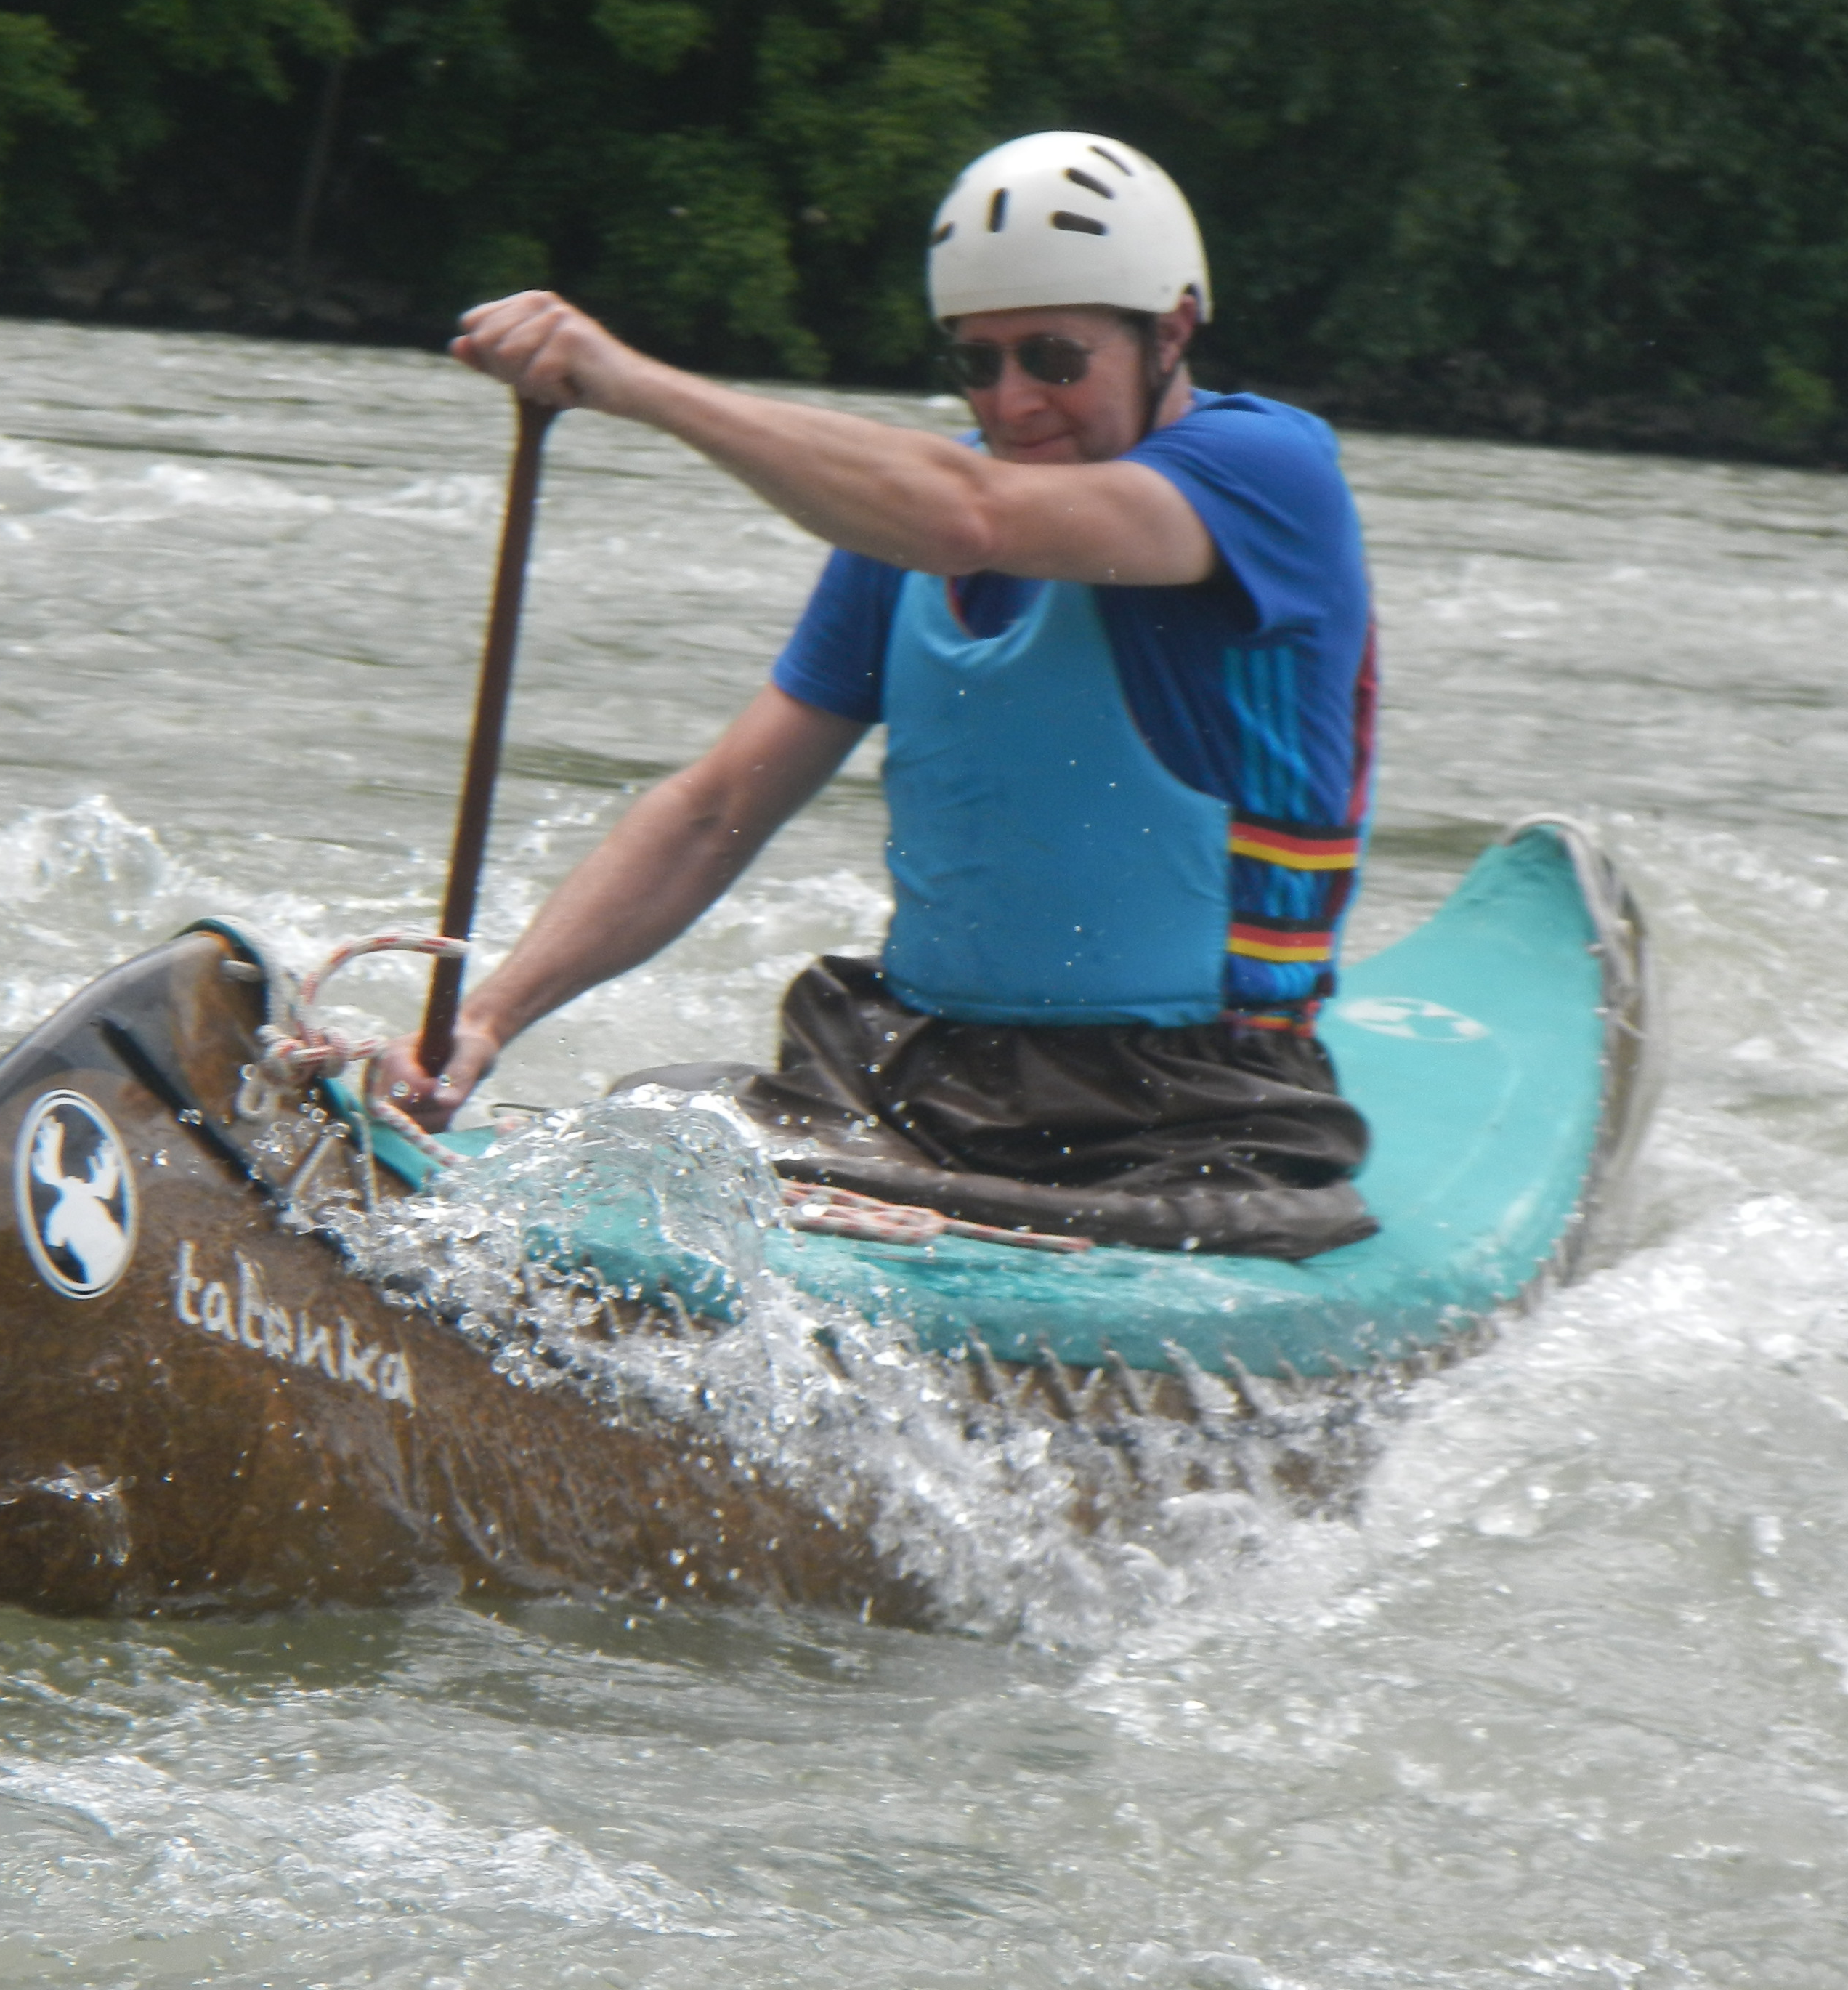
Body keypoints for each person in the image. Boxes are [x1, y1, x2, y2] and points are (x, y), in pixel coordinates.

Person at [387, 132, 1381, 1260]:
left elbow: (971, 515)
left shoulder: (1266, 476)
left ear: (1173, 332)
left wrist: (631, 384)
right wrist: (485, 1019)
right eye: (978, 363)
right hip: (921, 1077)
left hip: (1190, 1112)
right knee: (651, 1122)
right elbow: (716, 812)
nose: (1015, 402)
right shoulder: (896, 533)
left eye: (1055, 357)